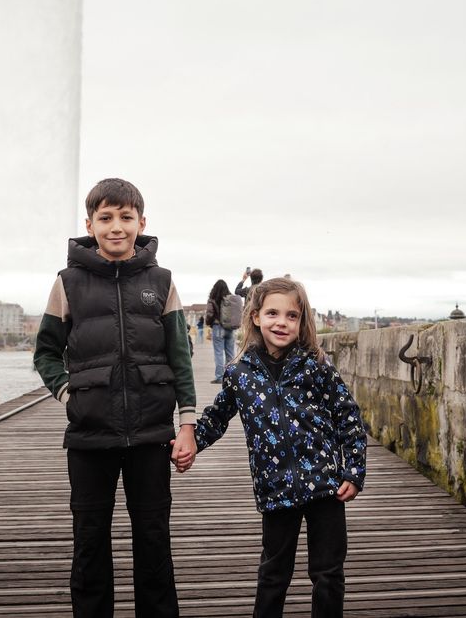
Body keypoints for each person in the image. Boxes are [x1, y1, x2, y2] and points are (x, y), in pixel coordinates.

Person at [32, 177, 196, 618]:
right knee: (89, 541)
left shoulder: (161, 282)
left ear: (142, 223)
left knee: (153, 540)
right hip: (89, 434)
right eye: (105, 218)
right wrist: (68, 392)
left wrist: (187, 425)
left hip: (150, 434)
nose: (116, 227)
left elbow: (180, 357)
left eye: (126, 217)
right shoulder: (68, 283)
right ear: (90, 224)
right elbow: (46, 351)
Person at [194, 277, 367, 618]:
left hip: (326, 486)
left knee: (328, 573)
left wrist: (355, 469)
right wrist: (187, 442)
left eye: (292, 316)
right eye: (273, 313)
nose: (282, 322)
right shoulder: (239, 373)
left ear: (302, 322)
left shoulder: (316, 364)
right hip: (275, 489)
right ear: (255, 317)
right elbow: (216, 418)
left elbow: (348, 415)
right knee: (273, 574)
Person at [205, 279, 235, 384]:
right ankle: (231, 376)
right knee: (230, 354)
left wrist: (209, 323)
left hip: (218, 327)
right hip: (230, 329)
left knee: (218, 353)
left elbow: (209, 314)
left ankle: (219, 377)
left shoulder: (213, 299)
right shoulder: (230, 299)